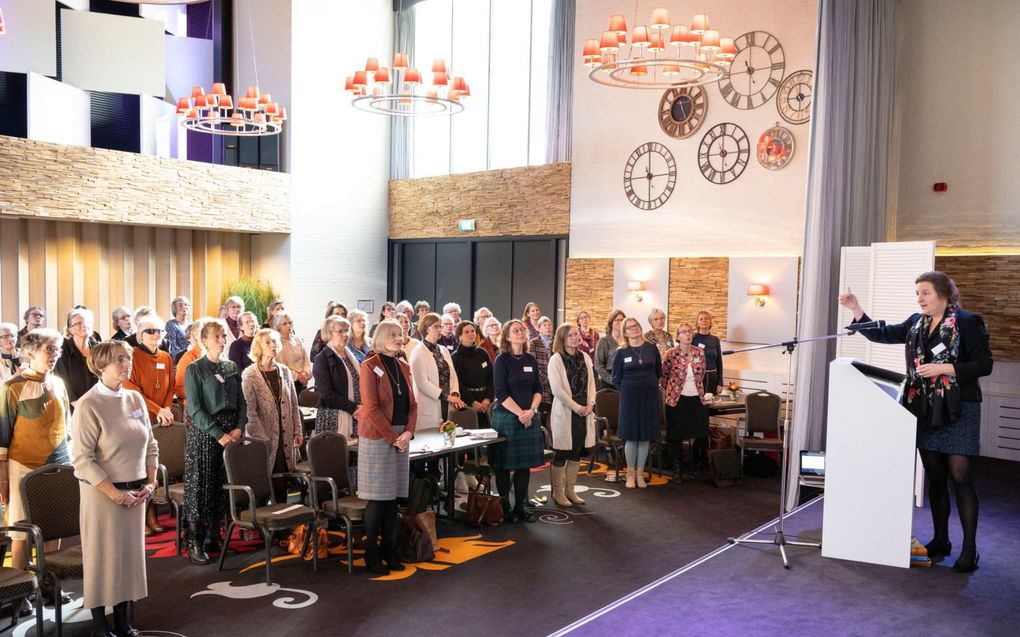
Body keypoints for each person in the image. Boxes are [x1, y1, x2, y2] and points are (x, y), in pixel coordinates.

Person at [839, 271, 992, 573]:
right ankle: (941, 539)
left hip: (959, 409)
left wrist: (943, 367)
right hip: (926, 409)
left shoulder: (967, 322)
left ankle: (970, 549)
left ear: (944, 294)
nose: (920, 299)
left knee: (960, 478)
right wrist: (856, 310)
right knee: (935, 477)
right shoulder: (915, 323)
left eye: (925, 293)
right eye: (918, 293)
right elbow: (883, 333)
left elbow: (984, 364)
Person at [71, 340, 158, 637]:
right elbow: (82, 460)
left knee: (128, 560)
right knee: (102, 560)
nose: (127, 363)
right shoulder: (88, 405)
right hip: (103, 496)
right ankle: (99, 625)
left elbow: (151, 445)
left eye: (128, 358)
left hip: (136, 495)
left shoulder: (134, 400)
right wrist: (116, 494)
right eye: (120, 359)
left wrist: (150, 482)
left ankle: (123, 622)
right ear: (100, 366)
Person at [0, 328, 71, 612]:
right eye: (49, 350)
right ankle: (20, 591)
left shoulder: (59, 383)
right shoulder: (12, 386)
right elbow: (3, 436)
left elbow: (66, 426)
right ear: (30, 352)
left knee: (54, 525)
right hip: (23, 466)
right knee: (21, 527)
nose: (55, 355)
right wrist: (3, 475)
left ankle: (46, 581)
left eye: (58, 350)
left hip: (59, 462)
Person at [183, 320, 246, 565]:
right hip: (207, 434)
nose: (223, 340)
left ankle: (214, 537)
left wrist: (240, 427)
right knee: (202, 489)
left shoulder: (231, 366)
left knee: (221, 487)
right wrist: (218, 434)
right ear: (205, 340)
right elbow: (195, 410)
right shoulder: (195, 369)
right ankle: (194, 542)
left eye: (223, 336)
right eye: (218, 336)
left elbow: (241, 402)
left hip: (231, 433)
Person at [358, 320, 417, 574]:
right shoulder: (369, 366)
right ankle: (370, 553)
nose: (398, 338)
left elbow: (413, 406)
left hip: (400, 437)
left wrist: (408, 433)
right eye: (393, 334)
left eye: (401, 334)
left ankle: (389, 549)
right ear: (381, 337)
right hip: (378, 437)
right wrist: (395, 437)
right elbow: (370, 408)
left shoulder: (403, 365)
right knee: (377, 500)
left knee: (393, 499)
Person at [123, 314, 176, 536]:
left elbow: (171, 386)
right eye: (150, 331)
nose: (156, 335)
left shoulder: (165, 356)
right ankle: (140, 517)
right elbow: (131, 388)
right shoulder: (133, 355)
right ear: (139, 335)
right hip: (137, 417)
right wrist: (157, 410)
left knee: (155, 468)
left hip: (160, 420)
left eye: (159, 331)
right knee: (140, 470)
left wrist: (166, 410)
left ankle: (152, 513)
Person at [491, 320, 545, 523]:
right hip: (507, 418)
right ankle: (504, 506)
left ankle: (520, 506)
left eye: (522, 330)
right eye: (515, 331)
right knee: (504, 466)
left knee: (524, 466)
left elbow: (538, 389)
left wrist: (531, 411)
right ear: (507, 336)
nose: (521, 333)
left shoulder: (530, 359)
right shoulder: (501, 360)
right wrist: (521, 414)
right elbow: (501, 393)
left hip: (529, 417)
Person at [242, 329, 303, 504]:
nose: (273, 345)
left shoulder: (283, 371)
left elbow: (293, 403)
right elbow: (249, 413)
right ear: (259, 347)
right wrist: (264, 439)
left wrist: (297, 430)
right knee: (262, 484)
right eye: (268, 342)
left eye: (275, 341)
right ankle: (262, 526)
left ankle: (281, 527)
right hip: (262, 439)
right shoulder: (250, 374)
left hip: (284, 435)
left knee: (281, 483)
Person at [547, 323, 597, 507]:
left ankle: (570, 490)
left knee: (577, 451)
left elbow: (592, 383)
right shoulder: (556, 359)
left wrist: (591, 403)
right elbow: (557, 390)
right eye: (570, 335)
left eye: (576, 335)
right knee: (561, 453)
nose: (575, 338)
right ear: (562, 338)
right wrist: (577, 407)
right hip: (566, 410)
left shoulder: (584, 357)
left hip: (585, 410)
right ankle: (558, 492)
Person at [612, 316, 662, 489]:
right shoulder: (621, 352)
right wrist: (628, 389)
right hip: (629, 398)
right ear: (624, 332)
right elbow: (615, 378)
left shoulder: (651, 348)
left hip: (649, 396)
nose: (634, 329)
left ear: (640, 328)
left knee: (645, 436)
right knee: (631, 436)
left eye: (636, 326)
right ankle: (630, 475)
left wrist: (647, 385)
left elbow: (658, 371)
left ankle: (640, 474)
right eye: (629, 327)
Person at [661, 323, 711, 483]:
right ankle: (677, 470)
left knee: (702, 434)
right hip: (677, 398)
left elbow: (702, 373)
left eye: (690, 331)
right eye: (683, 332)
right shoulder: (671, 353)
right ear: (677, 336)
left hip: (697, 398)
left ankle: (696, 467)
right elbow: (664, 376)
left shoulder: (700, 352)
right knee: (676, 435)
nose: (688, 334)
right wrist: (672, 389)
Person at [409, 313, 465, 431]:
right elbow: (422, 383)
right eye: (436, 326)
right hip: (430, 405)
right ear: (426, 329)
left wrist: (455, 394)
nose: (440, 329)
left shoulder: (443, 350)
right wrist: (447, 397)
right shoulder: (418, 351)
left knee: (448, 439)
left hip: (447, 404)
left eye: (441, 326)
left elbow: (453, 375)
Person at [311, 316, 361, 439]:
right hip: (333, 418)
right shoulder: (322, 359)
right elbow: (327, 393)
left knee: (355, 457)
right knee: (337, 456)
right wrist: (354, 408)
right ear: (329, 334)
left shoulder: (353, 355)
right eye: (340, 331)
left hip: (357, 415)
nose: (345, 335)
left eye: (347, 331)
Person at [451, 321, 494, 429]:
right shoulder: (455, 357)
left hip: (486, 403)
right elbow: (458, 383)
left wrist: (488, 398)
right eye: (466, 332)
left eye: (472, 331)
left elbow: (492, 377)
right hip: (468, 403)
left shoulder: (482, 353)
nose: (471, 334)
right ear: (460, 336)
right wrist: (472, 402)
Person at [54, 307, 99, 409]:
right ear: (71, 329)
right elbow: (61, 379)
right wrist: (77, 404)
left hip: (98, 402)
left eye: (86, 322)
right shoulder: (62, 349)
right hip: (72, 405)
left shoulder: (98, 349)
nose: (84, 325)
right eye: (78, 323)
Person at [272, 312, 312, 394]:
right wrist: (297, 376)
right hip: (289, 382)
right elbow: (281, 365)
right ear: (278, 326)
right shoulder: (277, 342)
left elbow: (306, 359)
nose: (288, 326)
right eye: (284, 324)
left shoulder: (296, 339)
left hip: (303, 379)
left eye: (290, 323)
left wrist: (306, 373)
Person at [692, 311, 725, 394]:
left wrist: (720, 382)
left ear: (710, 322)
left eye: (706, 318)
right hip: (696, 377)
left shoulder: (715, 340)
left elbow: (719, 363)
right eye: (701, 319)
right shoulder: (692, 338)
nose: (704, 320)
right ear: (697, 323)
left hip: (713, 377)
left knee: (712, 404)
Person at [528, 316, 555, 419]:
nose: (547, 327)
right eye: (544, 325)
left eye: (549, 325)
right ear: (539, 328)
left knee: (553, 415)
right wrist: (547, 379)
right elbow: (533, 365)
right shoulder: (533, 342)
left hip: (555, 383)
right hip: (541, 382)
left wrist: (554, 379)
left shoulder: (556, 341)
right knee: (542, 415)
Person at [595, 309, 625, 390]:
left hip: (626, 381)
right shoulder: (604, 341)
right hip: (610, 383)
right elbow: (598, 365)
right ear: (611, 323)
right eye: (617, 320)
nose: (620, 322)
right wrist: (613, 380)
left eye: (622, 320)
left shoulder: (628, 340)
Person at [165, 296, 192, 360]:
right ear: (175, 308)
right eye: (180, 305)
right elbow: (172, 346)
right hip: (180, 359)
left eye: (186, 305)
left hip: (193, 357)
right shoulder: (171, 324)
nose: (184, 307)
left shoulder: (192, 324)